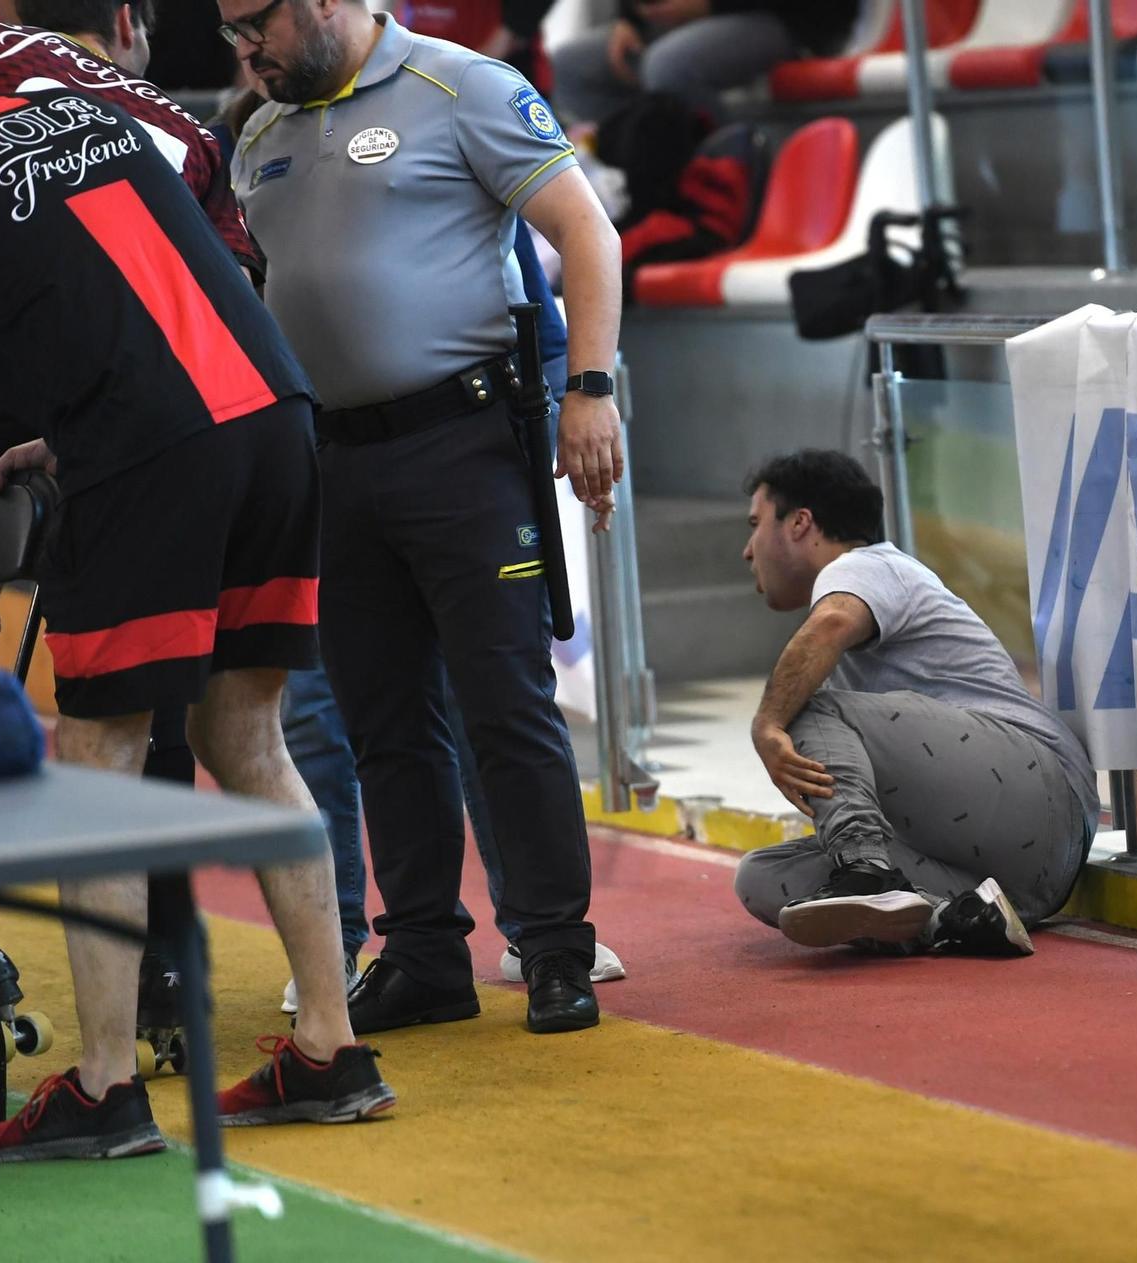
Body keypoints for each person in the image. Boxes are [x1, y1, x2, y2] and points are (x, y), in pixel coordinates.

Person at [0, 3, 394, 1160]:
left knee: (94, 757)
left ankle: (103, 1088)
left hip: (155, 451)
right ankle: (328, 1049)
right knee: (251, 741)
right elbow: (144, 286)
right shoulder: (81, 115)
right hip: (271, 417)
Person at [0, 0, 272, 1094]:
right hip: (166, 380)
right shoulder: (173, 123)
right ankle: (159, 972)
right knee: (161, 694)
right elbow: (236, 273)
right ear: (131, 23)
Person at [222, 0, 622, 1035]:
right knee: (380, 719)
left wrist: (590, 387)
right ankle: (425, 953)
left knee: (503, 701)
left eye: (251, 24)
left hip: (465, 443)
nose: (242, 50)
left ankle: (550, 946)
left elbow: (585, 229)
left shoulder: (462, 85)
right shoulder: (259, 134)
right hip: (334, 459)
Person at [732, 451, 1099, 956]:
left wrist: (767, 724)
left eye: (755, 525)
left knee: (804, 708)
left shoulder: (867, 566)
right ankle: (958, 916)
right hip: (1020, 878)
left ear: (800, 523)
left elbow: (832, 623)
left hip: (1043, 791)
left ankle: (868, 870)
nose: (747, 551)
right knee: (761, 876)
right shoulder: (866, 580)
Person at [551, 0, 859, 126]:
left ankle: (720, 179)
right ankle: (631, 180)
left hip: (787, 17)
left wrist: (708, 5)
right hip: (688, 20)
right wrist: (629, 19)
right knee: (570, 66)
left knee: (668, 66)